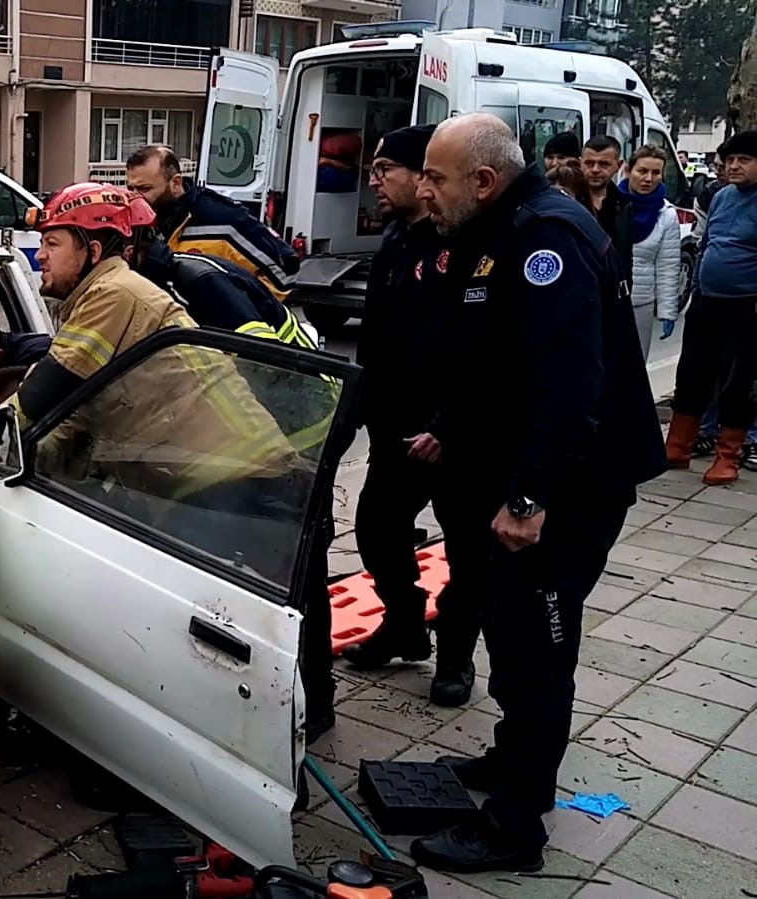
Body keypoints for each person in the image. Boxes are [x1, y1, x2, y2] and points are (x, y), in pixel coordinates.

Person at [409, 114, 664, 874]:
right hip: (523, 470)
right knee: (506, 623)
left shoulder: (543, 238)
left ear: (481, 180)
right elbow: (484, 358)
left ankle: (515, 826)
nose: (425, 188)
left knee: (534, 650)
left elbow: (565, 381)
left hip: (568, 485)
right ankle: (512, 761)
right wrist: (448, 428)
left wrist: (527, 498)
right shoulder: (495, 227)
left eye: (435, 176)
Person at [0, 182, 302, 577]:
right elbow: (75, 413)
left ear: (91, 252)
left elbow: (44, 393)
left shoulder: (115, 292)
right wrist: (24, 459)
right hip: (203, 482)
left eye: (52, 244)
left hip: (240, 479)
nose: (39, 256)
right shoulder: (93, 301)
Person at [122, 187, 338, 739]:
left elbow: (264, 358)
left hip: (298, 425)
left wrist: (252, 449)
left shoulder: (198, 282)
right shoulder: (153, 281)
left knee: (298, 573)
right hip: (261, 434)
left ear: (126, 250)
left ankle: (312, 710)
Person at [336, 125, 480, 708]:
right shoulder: (396, 239)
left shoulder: (464, 244)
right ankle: (404, 623)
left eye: (383, 168)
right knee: (375, 527)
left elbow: (479, 348)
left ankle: (456, 655)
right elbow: (377, 337)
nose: (373, 180)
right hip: (395, 425)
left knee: (469, 549)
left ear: (423, 178)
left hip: (454, 432)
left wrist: (450, 424)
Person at [664, 130, 757, 485]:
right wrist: (697, 289)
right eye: (730, 160)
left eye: (744, 160)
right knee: (691, 374)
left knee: (736, 383)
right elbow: (706, 243)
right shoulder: (721, 197)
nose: (734, 166)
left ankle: (728, 456)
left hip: (745, 305)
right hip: (706, 301)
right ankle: (678, 447)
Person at [124, 145, 300, 303]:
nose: (134, 197)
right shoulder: (141, 223)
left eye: (144, 189)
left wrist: (239, 310)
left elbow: (284, 271)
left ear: (176, 183)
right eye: (130, 188)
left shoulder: (222, 218)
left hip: (223, 333)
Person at [621, 145, 684, 359]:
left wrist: (667, 311)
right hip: (604, 302)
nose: (648, 178)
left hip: (640, 304)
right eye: (642, 171)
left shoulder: (666, 215)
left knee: (633, 370)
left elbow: (668, 267)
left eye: (656, 173)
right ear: (628, 170)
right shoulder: (610, 204)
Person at [580, 135, 634, 278]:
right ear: (581, 163)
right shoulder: (567, 203)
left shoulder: (625, 206)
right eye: (589, 163)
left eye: (604, 164)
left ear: (618, 165)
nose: (595, 169)